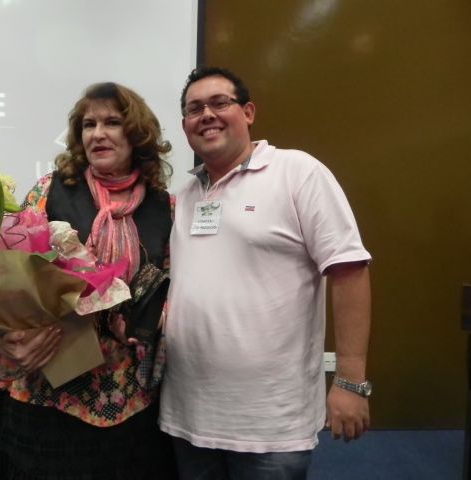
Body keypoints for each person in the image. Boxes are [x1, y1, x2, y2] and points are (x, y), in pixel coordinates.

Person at [159, 66, 372, 479]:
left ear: (248, 112)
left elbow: (350, 270)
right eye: (194, 109)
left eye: (219, 103)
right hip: (187, 416)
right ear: (185, 126)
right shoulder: (183, 197)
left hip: (270, 424)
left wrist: (351, 381)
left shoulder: (297, 172)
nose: (207, 115)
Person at [0, 82, 177, 479]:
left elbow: (174, 287)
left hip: (129, 403)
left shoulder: (165, 207)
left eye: (112, 123)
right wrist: (6, 335)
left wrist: (153, 319)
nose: (98, 134)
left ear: (136, 134)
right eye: (89, 125)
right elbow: (2, 278)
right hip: (47, 394)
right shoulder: (49, 190)